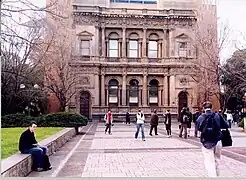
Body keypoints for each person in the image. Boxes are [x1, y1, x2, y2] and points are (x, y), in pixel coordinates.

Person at [196, 101, 229, 177]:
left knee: (209, 162)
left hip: (206, 142)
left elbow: (198, 128)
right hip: (217, 141)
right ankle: (217, 176)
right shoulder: (217, 115)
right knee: (216, 160)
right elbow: (226, 125)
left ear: (204, 108)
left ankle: (212, 177)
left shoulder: (201, 117)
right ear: (211, 107)